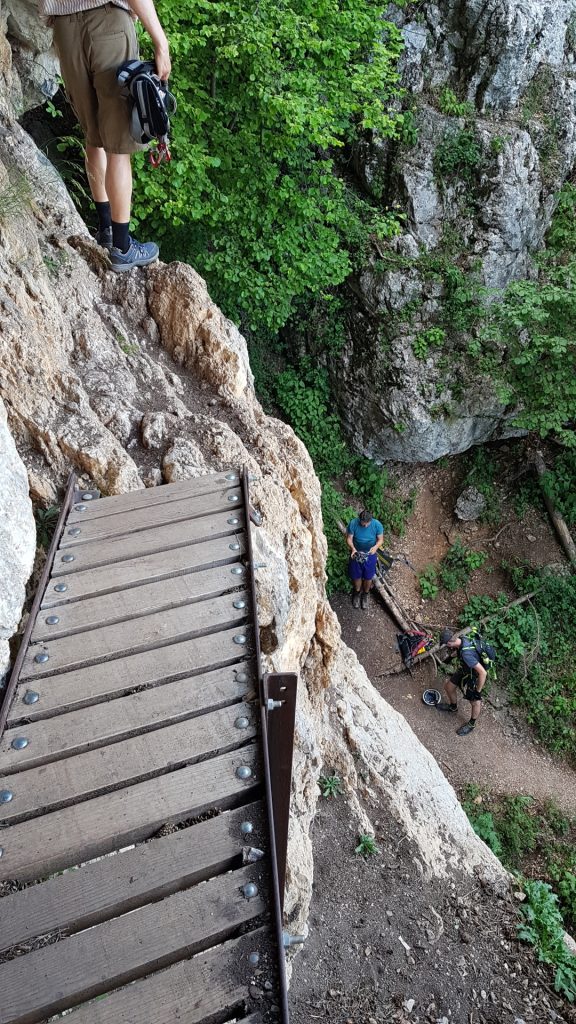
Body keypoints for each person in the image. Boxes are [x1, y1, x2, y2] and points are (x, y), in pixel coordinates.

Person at [38, 0, 171, 272]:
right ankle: (121, 247)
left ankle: (106, 229)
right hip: (107, 20)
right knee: (119, 143)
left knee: (93, 134)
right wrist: (160, 41)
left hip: (65, 29)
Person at [437, 628, 492, 736]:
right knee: (449, 687)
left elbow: (483, 673)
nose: (447, 646)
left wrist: (478, 691)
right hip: (465, 669)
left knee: (475, 701)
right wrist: (448, 659)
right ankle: (453, 707)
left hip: (474, 675)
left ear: (450, 642)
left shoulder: (467, 654)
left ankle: (471, 724)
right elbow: (458, 651)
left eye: (446, 644)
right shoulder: (462, 639)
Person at [346, 510, 384, 610]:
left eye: (367, 524)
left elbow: (380, 540)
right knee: (356, 575)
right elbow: (349, 538)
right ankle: (357, 592)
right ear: (360, 519)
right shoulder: (353, 523)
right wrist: (352, 547)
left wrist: (375, 547)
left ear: (370, 520)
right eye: (363, 523)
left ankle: (366, 594)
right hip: (356, 552)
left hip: (370, 553)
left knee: (368, 576)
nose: (365, 525)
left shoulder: (377, 525)